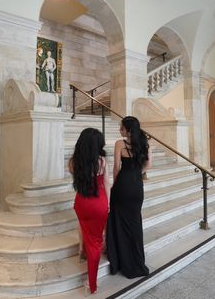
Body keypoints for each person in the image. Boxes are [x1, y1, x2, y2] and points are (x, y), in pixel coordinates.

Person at [107, 116, 152, 278]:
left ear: (129, 129)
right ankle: (137, 261)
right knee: (135, 223)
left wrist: (114, 184)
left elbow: (116, 167)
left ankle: (120, 258)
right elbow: (149, 165)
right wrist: (136, 173)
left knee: (118, 220)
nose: (120, 130)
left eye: (122, 128)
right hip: (136, 186)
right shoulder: (145, 144)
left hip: (123, 185)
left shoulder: (120, 144)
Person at [69, 128, 110, 295]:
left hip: (81, 202)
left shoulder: (73, 162)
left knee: (84, 226)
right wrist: (108, 203)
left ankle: (81, 250)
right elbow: (106, 183)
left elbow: (79, 182)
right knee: (96, 243)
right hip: (98, 203)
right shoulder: (102, 161)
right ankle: (90, 284)